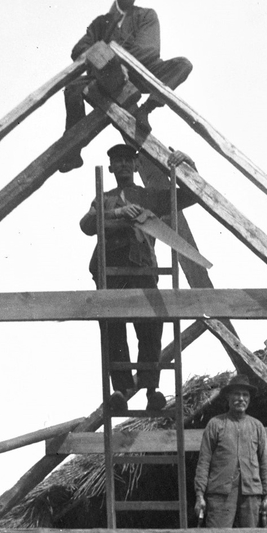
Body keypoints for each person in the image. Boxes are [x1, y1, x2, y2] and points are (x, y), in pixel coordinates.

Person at [79, 142, 197, 413]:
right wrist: (117, 213)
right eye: (117, 161)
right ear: (110, 168)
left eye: (127, 160)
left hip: (142, 266)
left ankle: (151, 388)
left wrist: (188, 165)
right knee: (113, 328)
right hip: (111, 269)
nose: (122, 164)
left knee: (151, 326)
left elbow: (190, 196)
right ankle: (119, 390)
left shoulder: (148, 197)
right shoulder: (104, 198)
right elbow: (86, 224)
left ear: (135, 166)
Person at [62, 0, 193, 167]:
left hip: (140, 72)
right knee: (72, 88)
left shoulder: (146, 15)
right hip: (104, 75)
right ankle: (72, 150)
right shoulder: (102, 22)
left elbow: (148, 50)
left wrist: (113, 55)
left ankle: (146, 110)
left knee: (182, 65)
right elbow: (79, 49)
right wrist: (103, 58)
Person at [194, 375, 267, 533]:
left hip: (251, 495)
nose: (241, 399)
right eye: (237, 394)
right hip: (220, 496)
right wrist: (200, 494)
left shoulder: (257, 427)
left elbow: (265, 463)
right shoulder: (216, 424)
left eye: (245, 395)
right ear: (228, 398)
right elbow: (204, 461)